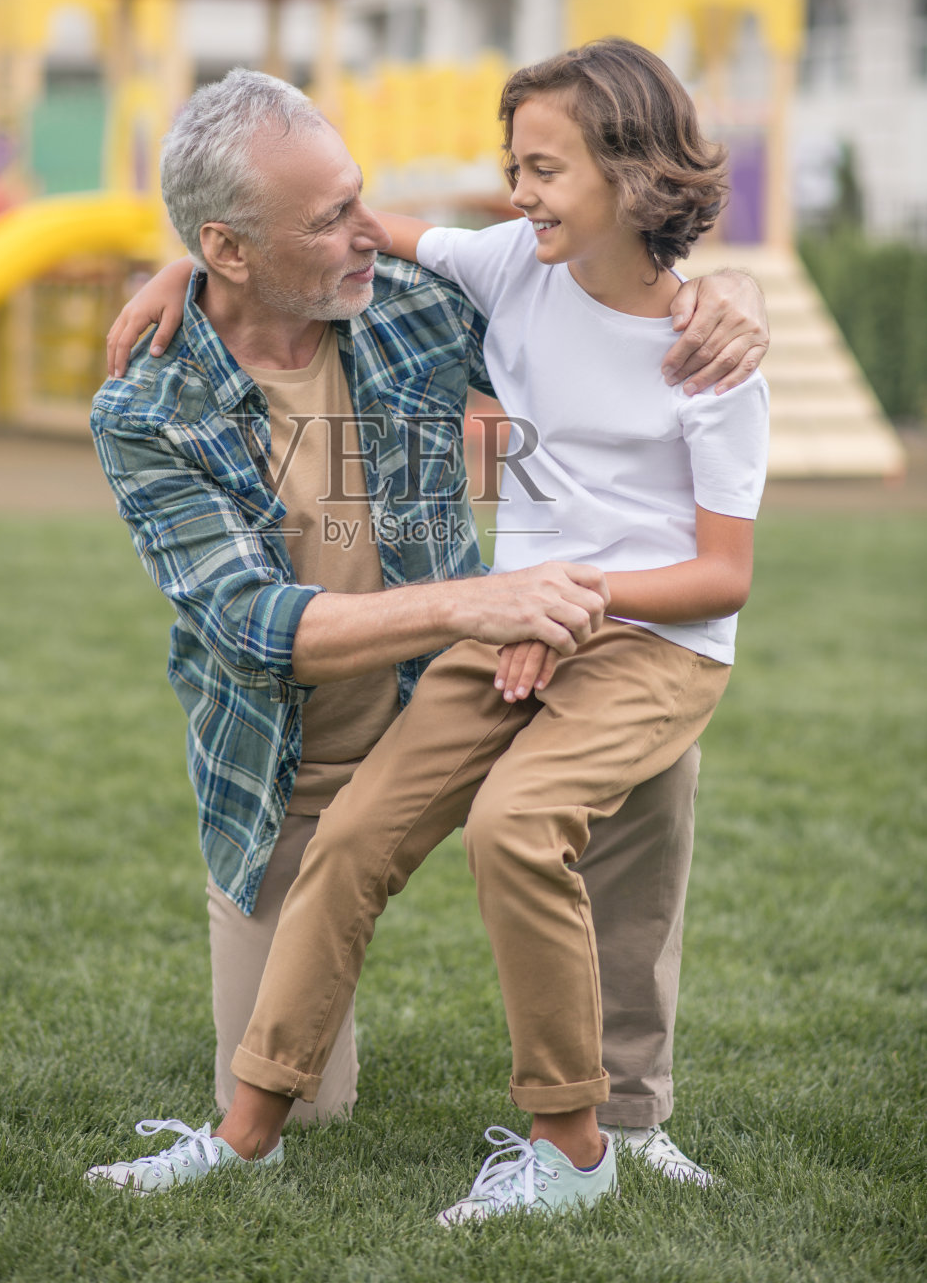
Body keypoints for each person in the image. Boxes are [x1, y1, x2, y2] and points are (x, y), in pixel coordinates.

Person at [88, 60, 769, 1208]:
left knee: (618, 792)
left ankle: (613, 1123)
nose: (366, 234)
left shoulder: (401, 298)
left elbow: (614, 273)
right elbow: (250, 622)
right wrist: (479, 603)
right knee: (322, 1084)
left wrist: (731, 284)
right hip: (291, 756)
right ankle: (244, 1128)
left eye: (359, 201)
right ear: (230, 249)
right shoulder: (150, 406)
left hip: (515, 654)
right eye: (327, 220)